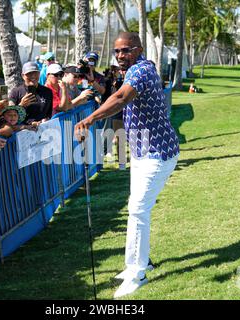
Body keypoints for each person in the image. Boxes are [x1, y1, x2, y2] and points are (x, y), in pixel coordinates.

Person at [74, 32, 180, 298]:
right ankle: (139, 262)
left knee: (137, 211)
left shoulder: (141, 71)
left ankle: (137, 272)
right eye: (117, 51)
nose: (120, 55)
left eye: (126, 50)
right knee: (137, 209)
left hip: (158, 152)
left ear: (139, 49)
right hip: (144, 151)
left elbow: (121, 98)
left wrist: (90, 120)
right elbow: (117, 95)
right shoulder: (134, 69)